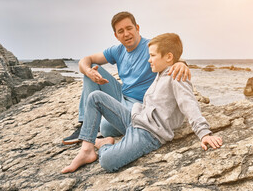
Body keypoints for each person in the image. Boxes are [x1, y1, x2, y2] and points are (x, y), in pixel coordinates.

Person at [61, 33, 222, 173]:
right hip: (135, 118)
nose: (149, 60)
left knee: (107, 162)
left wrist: (204, 133)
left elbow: (189, 104)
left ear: (168, 57)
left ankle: (104, 145)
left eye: (152, 55)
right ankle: (87, 149)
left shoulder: (176, 76)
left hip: (148, 133)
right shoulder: (161, 72)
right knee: (95, 98)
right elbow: (172, 53)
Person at [62, 12, 191, 145]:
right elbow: (85, 60)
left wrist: (181, 64)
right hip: (121, 95)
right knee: (93, 68)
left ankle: (97, 124)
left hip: (139, 105)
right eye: (121, 31)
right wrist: (88, 71)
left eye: (129, 28)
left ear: (137, 28)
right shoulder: (117, 51)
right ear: (116, 35)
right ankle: (84, 124)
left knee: (106, 128)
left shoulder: (150, 47)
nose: (126, 34)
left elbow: (172, 57)